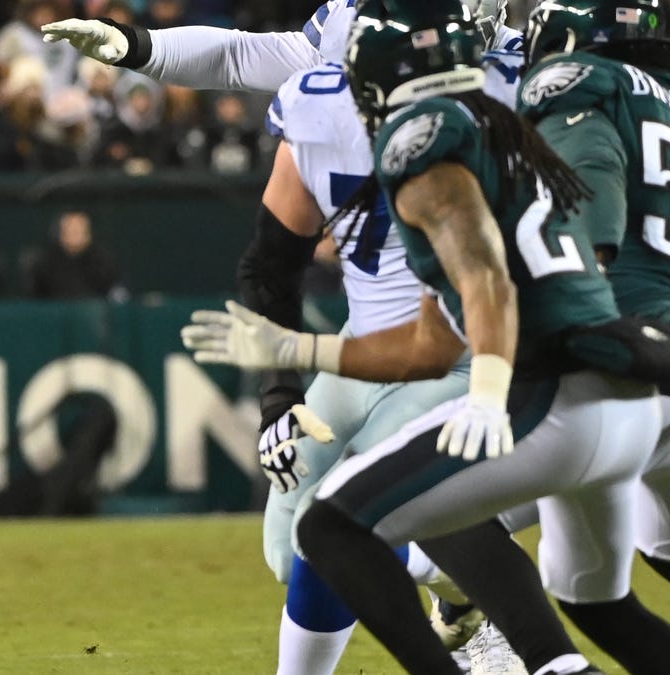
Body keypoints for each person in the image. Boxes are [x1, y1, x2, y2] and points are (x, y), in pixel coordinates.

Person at [183, 0, 670, 671]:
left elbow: (489, 286)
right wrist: (298, 353)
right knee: (599, 605)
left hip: (551, 395)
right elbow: (431, 342)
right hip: (624, 401)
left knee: (338, 525)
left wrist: (489, 391)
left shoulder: (426, 138)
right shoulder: (497, 124)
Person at [49, 3, 527, 673]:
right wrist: (135, 45)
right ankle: (452, 577)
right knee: (293, 543)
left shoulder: (520, 73)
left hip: (481, 344)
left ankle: (484, 596)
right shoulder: (336, 66)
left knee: (358, 519)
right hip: (371, 343)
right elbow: (241, 60)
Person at [514, 0, 670, 655]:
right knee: (649, 546)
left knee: (425, 515)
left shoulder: (580, 80)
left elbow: (586, 211)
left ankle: (512, 651)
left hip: (623, 353)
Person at [27, 210, 126, 300]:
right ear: (61, 234)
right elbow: (37, 296)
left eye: (80, 231)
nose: (75, 235)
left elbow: (116, 291)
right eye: (71, 231)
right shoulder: (46, 262)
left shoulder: (101, 261)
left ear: (88, 234)